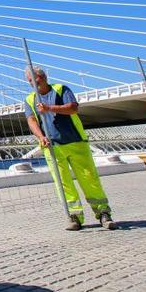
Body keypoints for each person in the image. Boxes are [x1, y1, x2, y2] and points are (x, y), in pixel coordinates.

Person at [24, 65, 116, 231]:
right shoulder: (30, 99)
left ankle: (103, 213)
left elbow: (73, 108)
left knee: (89, 178)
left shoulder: (61, 89)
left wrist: (49, 108)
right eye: (29, 81)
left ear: (43, 77)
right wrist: (40, 136)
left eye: (34, 79)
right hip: (52, 147)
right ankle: (74, 216)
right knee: (63, 183)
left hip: (75, 142)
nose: (32, 83)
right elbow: (31, 120)